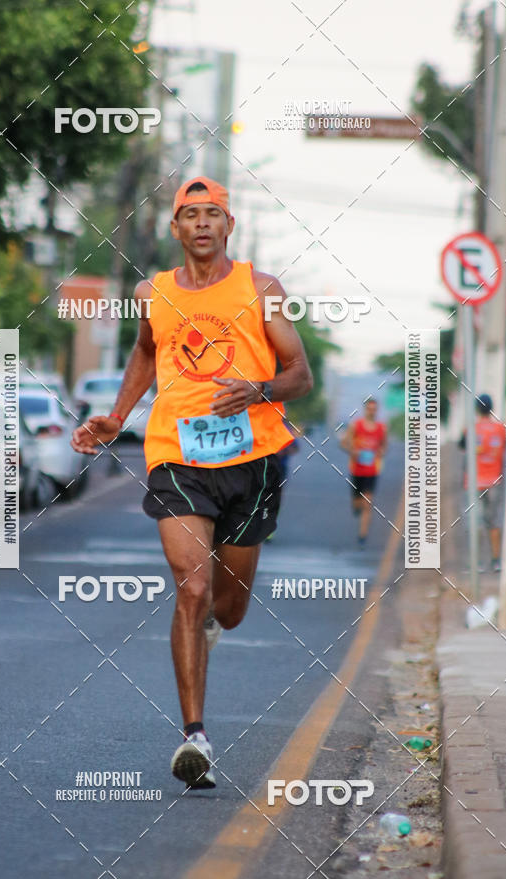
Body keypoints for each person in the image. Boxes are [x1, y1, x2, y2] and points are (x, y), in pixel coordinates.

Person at [71, 176, 313, 789]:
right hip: (176, 456)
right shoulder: (152, 291)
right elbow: (147, 352)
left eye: (213, 214)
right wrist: (115, 418)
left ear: (230, 227)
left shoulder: (263, 290)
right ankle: (195, 735)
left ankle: (211, 624)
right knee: (193, 589)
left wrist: (258, 389)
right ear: (175, 229)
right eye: (190, 215)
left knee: (228, 610)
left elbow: (299, 374)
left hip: (252, 460)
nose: (202, 224)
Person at [459, 393, 506, 572]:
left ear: (476, 409)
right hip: (495, 481)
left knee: (475, 523)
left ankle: (476, 563)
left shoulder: (470, 429)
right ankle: (496, 561)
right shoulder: (500, 429)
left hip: (474, 482)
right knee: (494, 522)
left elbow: (462, 448)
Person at [340, 397, 387, 546]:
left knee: (368, 502)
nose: (372, 412)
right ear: (365, 409)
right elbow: (343, 443)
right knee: (357, 503)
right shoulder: (356, 426)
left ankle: (363, 535)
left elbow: (384, 446)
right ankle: (356, 506)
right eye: (369, 409)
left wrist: (381, 452)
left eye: (374, 409)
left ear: (377, 411)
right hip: (356, 469)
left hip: (372, 470)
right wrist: (352, 451)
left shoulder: (381, 428)